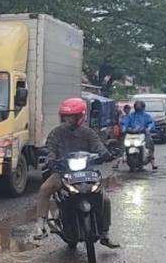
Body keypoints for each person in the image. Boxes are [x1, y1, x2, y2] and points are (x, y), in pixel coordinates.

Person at [34, 98, 119, 248]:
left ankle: (105, 234)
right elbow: (49, 149)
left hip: (87, 172)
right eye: (66, 116)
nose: (68, 119)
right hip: (63, 172)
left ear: (80, 117)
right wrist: (50, 159)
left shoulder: (88, 132)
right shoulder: (57, 133)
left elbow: (98, 145)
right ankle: (40, 227)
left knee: (105, 200)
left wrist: (106, 154)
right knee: (44, 189)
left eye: (71, 117)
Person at [122, 100, 158, 170]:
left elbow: (151, 123)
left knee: (149, 144)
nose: (138, 108)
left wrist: (149, 128)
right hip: (131, 134)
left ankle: (152, 162)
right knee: (123, 145)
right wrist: (123, 128)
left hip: (143, 134)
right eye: (137, 106)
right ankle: (121, 158)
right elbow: (125, 123)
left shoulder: (146, 115)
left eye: (139, 106)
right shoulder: (131, 116)